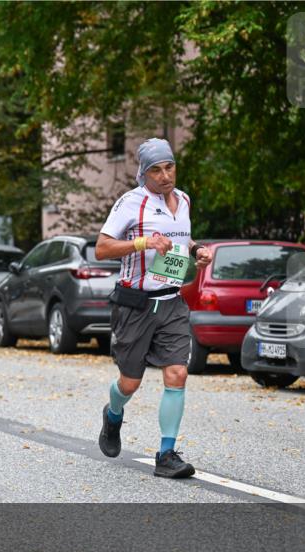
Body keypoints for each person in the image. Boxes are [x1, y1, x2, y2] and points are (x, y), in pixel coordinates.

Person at [95, 138, 213, 479]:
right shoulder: (131, 203)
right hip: (135, 305)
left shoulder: (185, 201)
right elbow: (102, 249)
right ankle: (113, 414)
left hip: (172, 301)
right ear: (143, 174)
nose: (165, 176)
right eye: (156, 170)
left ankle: (166, 454)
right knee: (130, 384)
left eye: (169, 167)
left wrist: (197, 251)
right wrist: (143, 242)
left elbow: (181, 240)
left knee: (177, 374)